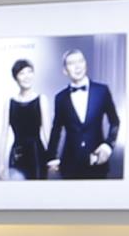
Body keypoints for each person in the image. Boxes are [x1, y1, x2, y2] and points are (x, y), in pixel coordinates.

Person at [49, 47, 121, 179]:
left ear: (85, 64)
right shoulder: (60, 98)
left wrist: (108, 146)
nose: (77, 66)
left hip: (97, 162)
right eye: (71, 63)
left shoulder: (102, 91)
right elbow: (56, 129)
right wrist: (51, 157)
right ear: (65, 70)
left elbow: (114, 121)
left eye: (80, 61)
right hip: (69, 165)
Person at [2, 58, 50, 180]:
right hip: (17, 154)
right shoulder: (9, 102)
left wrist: (52, 157)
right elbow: (4, 135)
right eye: (22, 73)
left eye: (29, 72)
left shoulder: (41, 99)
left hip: (37, 153)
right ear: (15, 77)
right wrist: (1, 163)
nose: (26, 76)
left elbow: (47, 132)